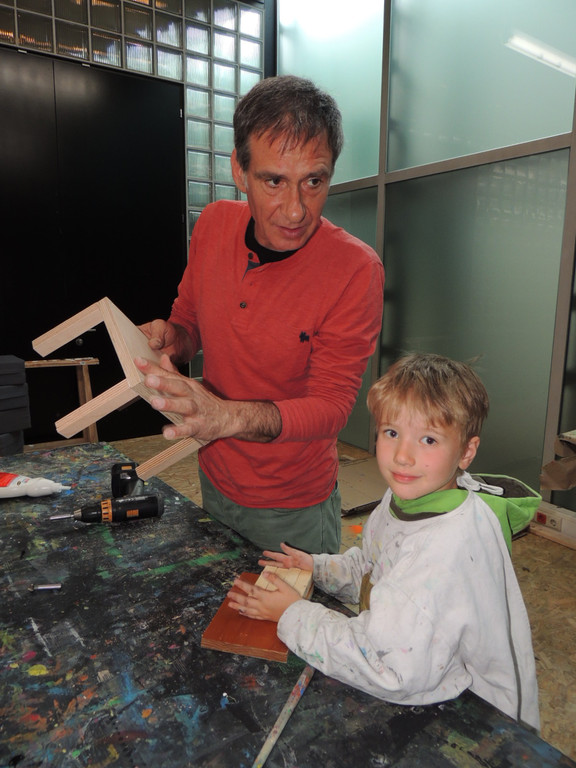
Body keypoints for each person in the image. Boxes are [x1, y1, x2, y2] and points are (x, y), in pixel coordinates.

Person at [136, 75, 384, 555]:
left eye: (314, 181)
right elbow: (189, 319)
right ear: (239, 170)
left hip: (293, 507)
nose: (295, 210)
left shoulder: (356, 270)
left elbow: (331, 407)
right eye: (274, 181)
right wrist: (173, 337)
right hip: (214, 476)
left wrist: (225, 416)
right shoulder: (213, 225)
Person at [227, 353, 541, 729]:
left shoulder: (442, 549)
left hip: (482, 720)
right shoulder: (408, 496)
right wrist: (317, 568)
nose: (403, 457)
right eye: (391, 433)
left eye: (428, 439)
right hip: (428, 669)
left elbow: (388, 668)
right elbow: (374, 566)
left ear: (466, 452)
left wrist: (293, 614)